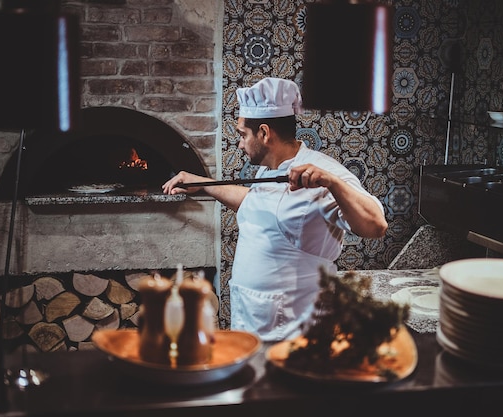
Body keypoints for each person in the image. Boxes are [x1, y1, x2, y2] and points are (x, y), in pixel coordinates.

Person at [162, 77, 388, 342]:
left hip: (293, 330)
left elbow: (376, 226)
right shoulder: (270, 168)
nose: (240, 144)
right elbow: (256, 204)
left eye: (242, 135)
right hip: (254, 319)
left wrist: (333, 183)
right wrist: (202, 184)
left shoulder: (323, 173)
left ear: (265, 134)